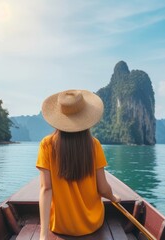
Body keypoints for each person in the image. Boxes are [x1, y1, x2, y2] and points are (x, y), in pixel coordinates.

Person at [36, 89, 121, 240]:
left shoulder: (47, 145)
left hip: (60, 226)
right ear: (86, 117)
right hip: (92, 223)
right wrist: (113, 197)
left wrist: (43, 235)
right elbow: (103, 188)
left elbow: (46, 188)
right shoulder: (94, 145)